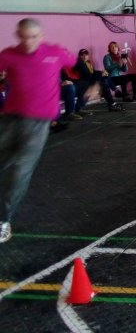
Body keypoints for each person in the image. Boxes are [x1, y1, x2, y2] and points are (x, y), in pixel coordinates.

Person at [0, 18, 77, 243]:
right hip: (10, 120)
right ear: (18, 35)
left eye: (33, 37)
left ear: (41, 36)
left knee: (19, 172)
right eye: (24, 37)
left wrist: (95, 84)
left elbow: (74, 63)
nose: (28, 42)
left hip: (38, 124)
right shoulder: (8, 55)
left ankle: (3, 220)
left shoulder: (56, 52)